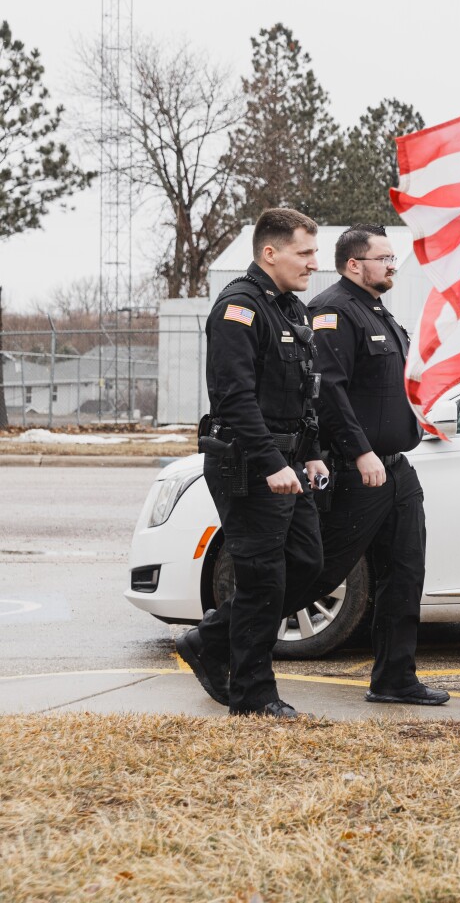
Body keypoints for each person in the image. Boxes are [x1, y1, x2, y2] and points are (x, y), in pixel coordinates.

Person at [176, 208, 330, 719]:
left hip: (285, 461)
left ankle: (210, 639)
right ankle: (252, 694)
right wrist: (271, 462)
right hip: (247, 464)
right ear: (270, 252)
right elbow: (234, 398)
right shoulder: (238, 309)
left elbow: (303, 393)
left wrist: (308, 453)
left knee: (307, 564)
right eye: (304, 253)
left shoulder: (290, 309)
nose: (314, 263)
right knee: (263, 578)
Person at [306, 225, 448, 706]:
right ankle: (218, 640)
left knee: (405, 572)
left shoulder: (376, 312)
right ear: (353, 264)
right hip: (357, 469)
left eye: (393, 257)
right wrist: (359, 450)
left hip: (396, 470)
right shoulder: (333, 311)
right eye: (383, 258)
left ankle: (394, 678)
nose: (392, 264)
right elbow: (327, 389)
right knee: (320, 572)